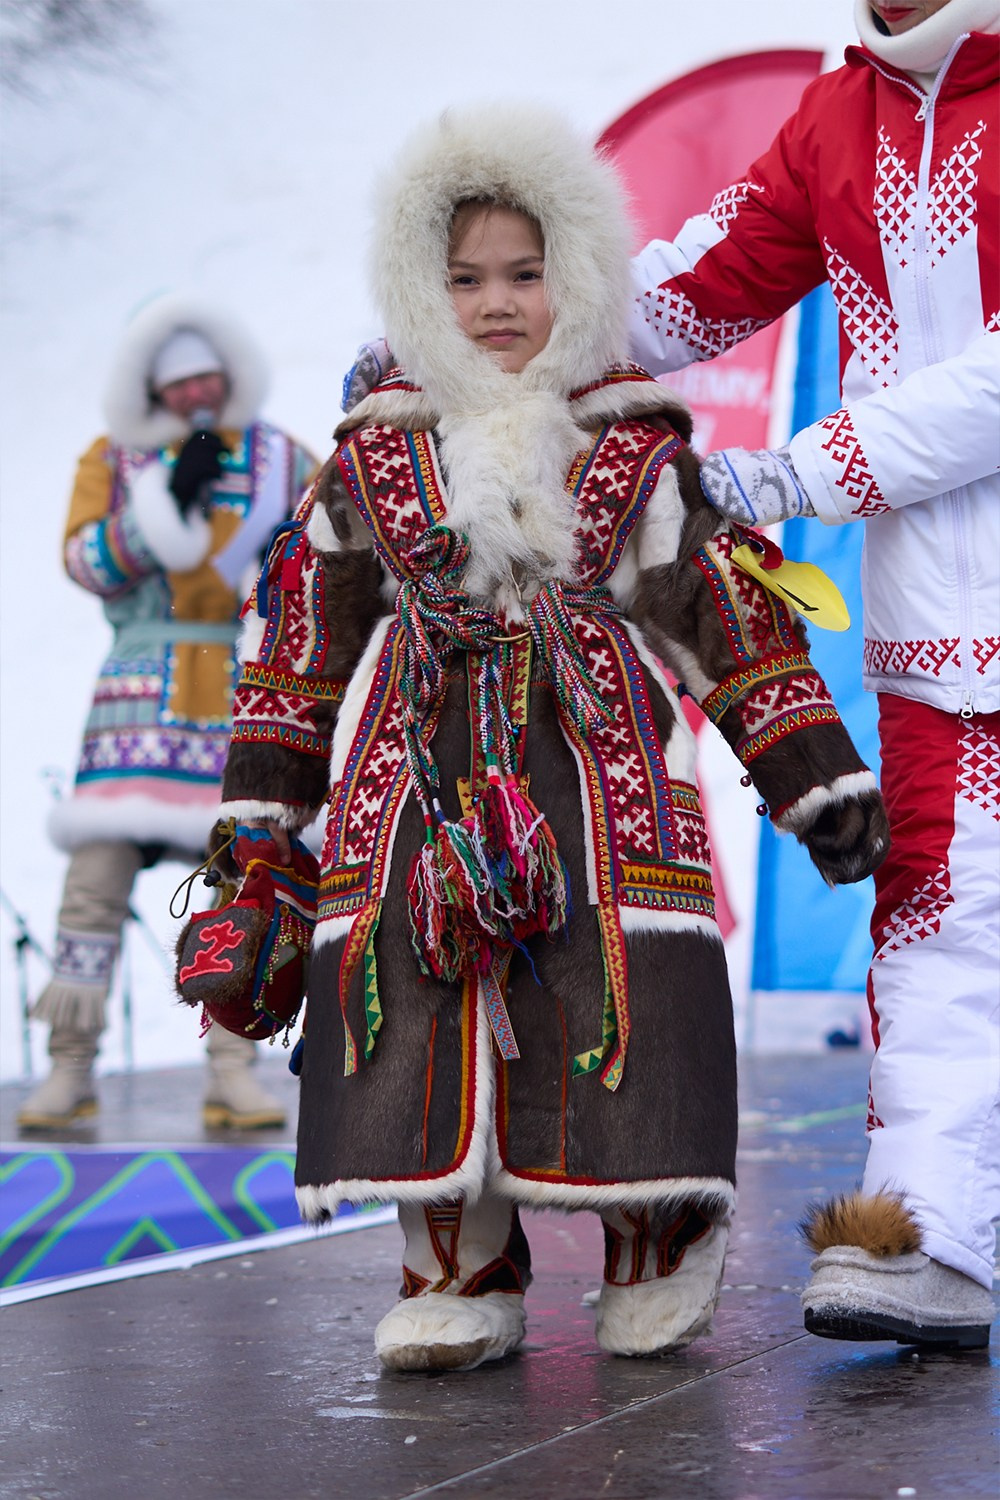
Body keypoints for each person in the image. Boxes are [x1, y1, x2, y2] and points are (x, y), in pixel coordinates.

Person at [218, 104, 888, 1372]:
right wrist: (262, 810)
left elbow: (724, 612)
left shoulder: (631, 444)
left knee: (614, 996)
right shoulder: (371, 457)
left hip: (601, 775)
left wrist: (811, 774)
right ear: (421, 289)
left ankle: (653, 1234)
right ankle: (455, 1264)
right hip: (414, 784)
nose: (495, 302)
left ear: (574, 278)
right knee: (417, 1006)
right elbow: (301, 642)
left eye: (525, 273)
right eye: (463, 278)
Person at [628, 0, 999, 1348]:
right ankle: (930, 1239)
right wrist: (487, 320)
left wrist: (798, 471)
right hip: (934, 638)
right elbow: (686, 289)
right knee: (935, 938)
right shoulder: (840, 116)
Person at [18, 293, 317, 1134]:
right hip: (137, 692)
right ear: (153, 387)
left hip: (236, 682)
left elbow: (322, 543)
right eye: (179, 383)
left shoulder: (278, 459)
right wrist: (155, 512)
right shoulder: (113, 459)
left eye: (208, 378)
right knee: (95, 883)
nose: (197, 395)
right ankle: (70, 1067)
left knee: (243, 875)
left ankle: (232, 1065)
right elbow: (83, 560)